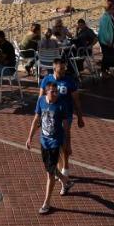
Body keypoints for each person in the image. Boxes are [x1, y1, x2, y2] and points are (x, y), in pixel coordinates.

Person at [26, 81, 71, 215]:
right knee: (49, 167)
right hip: (43, 141)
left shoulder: (61, 105)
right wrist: (30, 137)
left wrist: (67, 143)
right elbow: (36, 119)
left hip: (55, 142)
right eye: (53, 91)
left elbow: (66, 126)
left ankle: (46, 203)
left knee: (49, 174)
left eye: (56, 91)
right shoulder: (41, 101)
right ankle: (65, 180)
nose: (55, 93)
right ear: (46, 92)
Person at [38, 57, 83, 179]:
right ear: (54, 68)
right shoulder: (46, 80)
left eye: (64, 68)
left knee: (64, 141)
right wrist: (39, 118)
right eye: (61, 68)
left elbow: (76, 100)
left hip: (65, 116)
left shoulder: (69, 81)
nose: (64, 70)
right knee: (54, 142)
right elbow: (41, 99)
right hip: (50, 117)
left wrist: (80, 116)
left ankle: (66, 167)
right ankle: (58, 165)